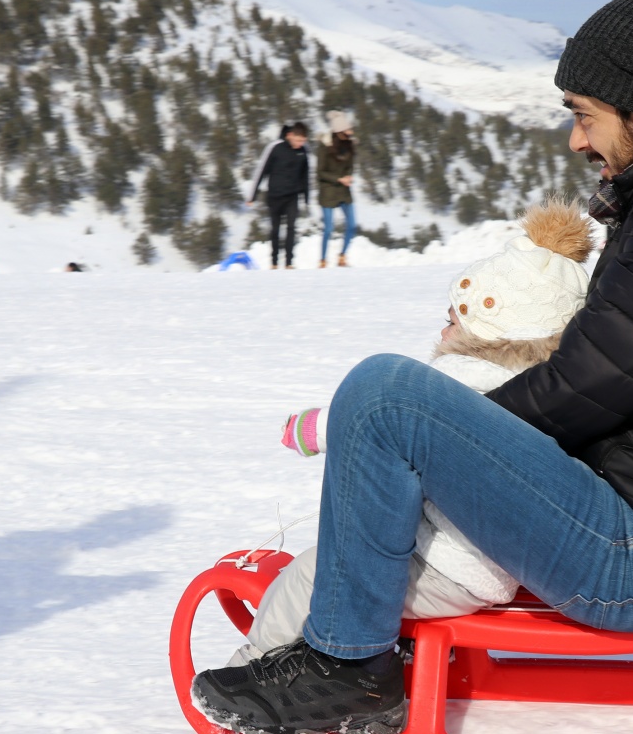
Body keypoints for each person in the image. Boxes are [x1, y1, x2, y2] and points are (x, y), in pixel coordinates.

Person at [191, 0, 633, 734]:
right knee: (409, 413)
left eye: (585, 114)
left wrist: (438, 452)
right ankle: (355, 633)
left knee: (384, 397)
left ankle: (346, 671)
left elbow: (578, 389)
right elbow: (605, 373)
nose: (576, 140)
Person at [224, 200, 594, 676]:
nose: (443, 329)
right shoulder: (545, 383)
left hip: (447, 565)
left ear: (488, 326)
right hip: (492, 563)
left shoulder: (465, 379)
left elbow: (386, 424)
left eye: (453, 318)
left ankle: (249, 671)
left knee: (314, 575)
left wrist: (316, 427)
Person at [247, 122, 310, 270]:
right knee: (275, 230)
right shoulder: (275, 148)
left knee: (291, 228)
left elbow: (305, 175)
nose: (300, 144)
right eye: (298, 140)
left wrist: (306, 197)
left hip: (292, 197)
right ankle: (274, 263)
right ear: (290, 136)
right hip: (275, 196)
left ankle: (289, 262)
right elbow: (261, 171)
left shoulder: (303, 151)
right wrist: (252, 196)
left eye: (303, 141)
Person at [315, 110, 358, 268]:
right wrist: (338, 179)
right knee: (328, 229)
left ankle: (342, 256)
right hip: (328, 192)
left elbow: (350, 167)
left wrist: (348, 176)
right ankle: (323, 260)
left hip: (344, 192)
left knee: (352, 225)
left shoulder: (350, 145)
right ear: (339, 132)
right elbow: (320, 172)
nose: (351, 132)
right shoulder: (324, 147)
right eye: (348, 130)